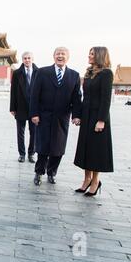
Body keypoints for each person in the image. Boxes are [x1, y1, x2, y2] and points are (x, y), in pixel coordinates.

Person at [30, 47, 82, 186]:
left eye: (63, 54)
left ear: (68, 57)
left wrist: (76, 116)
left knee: (58, 148)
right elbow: (35, 94)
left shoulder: (74, 75)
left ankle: (52, 173)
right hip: (43, 116)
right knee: (42, 147)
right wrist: (34, 114)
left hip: (62, 117)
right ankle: (39, 172)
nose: (60, 56)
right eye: (58, 54)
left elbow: (77, 98)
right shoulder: (42, 72)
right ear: (53, 56)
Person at [74, 47, 114, 196]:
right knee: (86, 149)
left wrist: (101, 120)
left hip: (98, 117)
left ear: (99, 55)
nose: (89, 56)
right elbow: (83, 97)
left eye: (91, 54)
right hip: (87, 115)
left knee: (96, 151)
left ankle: (95, 181)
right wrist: (79, 115)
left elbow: (106, 99)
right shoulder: (89, 73)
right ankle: (86, 179)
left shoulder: (106, 74)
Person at [10, 52, 39, 163]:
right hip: (20, 107)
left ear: (32, 59)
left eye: (29, 58)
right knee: (20, 132)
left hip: (34, 108)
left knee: (34, 133)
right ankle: (21, 154)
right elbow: (13, 92)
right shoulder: (17, 73)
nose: (27, 60)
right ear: (22, 60)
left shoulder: (39, 72)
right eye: (25, 58)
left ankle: (31, 154)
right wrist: (12, 108)